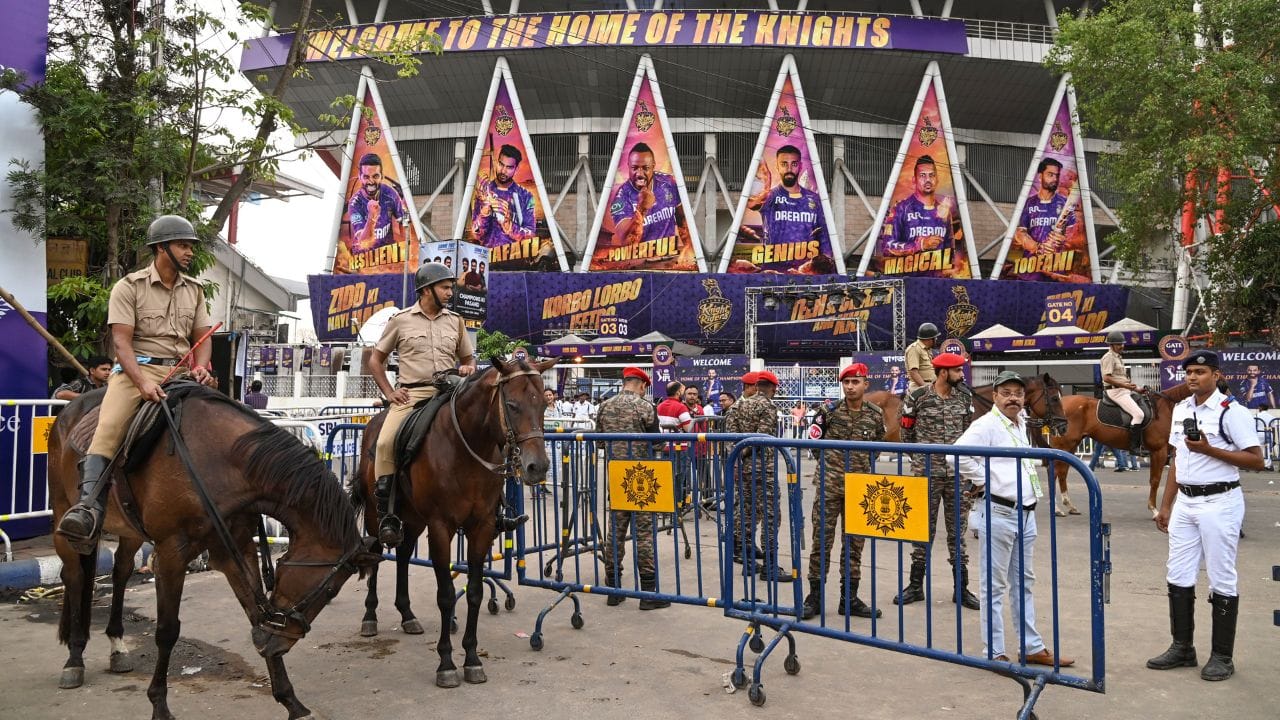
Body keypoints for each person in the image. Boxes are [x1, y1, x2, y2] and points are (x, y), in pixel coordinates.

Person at [56, 215, 217, 552]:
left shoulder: (195, 290)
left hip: (182, 373)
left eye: (190, 246)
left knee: (221, 422)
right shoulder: (129, 287)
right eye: (182, 245)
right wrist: (142, 382)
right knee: (110, 426)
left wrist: (201, 368)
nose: (189, 253)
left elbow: (202, 337)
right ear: (161, 248)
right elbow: (122, 344)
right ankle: (88, 507)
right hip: (135, 372)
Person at [367, 262, 519, 547]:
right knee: (386, 443)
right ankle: (387, 513)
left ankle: (497, 508)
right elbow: (375, 360)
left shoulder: (455, 321)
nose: (451, 292)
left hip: (449, 393)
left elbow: (468, 359)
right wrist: (389, 392)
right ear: (426, 290)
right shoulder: (400, 320)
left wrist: (467, 368)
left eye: (451, 287)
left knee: (488, 435)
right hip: (411, 397)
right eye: (445, 287)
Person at [1149, 351, 1263, 681]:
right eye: (1188, 372)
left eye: (1199, 371)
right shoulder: (1182, 408)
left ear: (1216, 374)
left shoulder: (1231, 411)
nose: (1192, 377)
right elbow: (1177, 460)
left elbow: (1256, 460)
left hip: (1221, 501)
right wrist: (1166, 505)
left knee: (1221, 575)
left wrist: (1209, 450)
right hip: (1186, 501)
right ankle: (1182, 647)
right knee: (1178, 574)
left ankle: (1222, 657)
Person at [956, 371, 1073, 667]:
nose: (1013, 398)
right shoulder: (986, 425)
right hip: (998, 512)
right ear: (995, 396)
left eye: (1017, 394)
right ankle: (994, 652)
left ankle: (1031, 646)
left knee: (1024, 583)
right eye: (1006, 392)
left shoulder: (1019, 424)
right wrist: (986, 479)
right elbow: (955, 455)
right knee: (993, 587)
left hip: (1025, 513)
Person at [802, 363, 885, 619]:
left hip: (860, 488)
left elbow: (878, 445)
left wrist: (861, 467)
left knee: (854, 545)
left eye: (855, 382)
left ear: (865, 384)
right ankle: (813, 598)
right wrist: (831, 467)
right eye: (846, 382)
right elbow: (814, 443)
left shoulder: (874, 413)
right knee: (821, 543)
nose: (850, 387)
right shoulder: (828, 411)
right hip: (829, 485)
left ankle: (849, 598)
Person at [896, 352, 979, 610]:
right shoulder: (918, 397)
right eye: (957, 371)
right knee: (922, 530)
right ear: (944, 372)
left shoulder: (965, 398)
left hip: (957, 476)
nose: (961, 374)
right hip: (927, 474)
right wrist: (921, 461)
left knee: (958, 533)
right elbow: (906, 434)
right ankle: (915, 585)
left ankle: (961, 589)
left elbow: (969, 433)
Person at [596, 366, 669, 610]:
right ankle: (649, 593)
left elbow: (599, 441)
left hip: (616, 475)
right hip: (642, 477)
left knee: (615, 532)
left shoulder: (605, 406)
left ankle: (613, 589)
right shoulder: (645, 407)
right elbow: (657, 443)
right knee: (644, 534)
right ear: (641, 385)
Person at [725, 371, 792, 581]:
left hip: (743, 468)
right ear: (773, 388)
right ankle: (770, 567)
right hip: (764, 468)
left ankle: (748, 562)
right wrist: (746, 450)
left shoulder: (737, 407)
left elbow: (731, 440)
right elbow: (761, 438)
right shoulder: (769, 407)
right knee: (771, 516)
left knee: (746, 514)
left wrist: (738, 456)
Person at [881, 155, 963, 277]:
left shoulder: (945, 212)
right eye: (922, 175)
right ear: (914, 180)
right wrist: (920, 245)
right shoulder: (900, 209)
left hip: (936, 284)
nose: (928, 180)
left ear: (937, 179)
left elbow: (950, 251)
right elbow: (887, 247)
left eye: (931, 175)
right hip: (908, 281)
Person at [608, 142, 693, 255]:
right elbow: (625, 241)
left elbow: (683, 222)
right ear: (628, 166)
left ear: (653, 166)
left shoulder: (669, 183)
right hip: (637, 264)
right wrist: (641, 209)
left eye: (645, 168)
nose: (639, 173)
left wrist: (690, 252)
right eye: (635, 168)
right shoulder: (622, 197)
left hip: (668, 262)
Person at [1010, 158, 1081, 281]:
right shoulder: (1028, 203)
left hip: (1057, 269)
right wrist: (1037, 247)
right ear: (1040, 176)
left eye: (1057, 176)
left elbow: (1074, 235)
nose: (1055, 179)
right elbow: (1020, 233)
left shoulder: (1065, 203)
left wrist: (1063, 240)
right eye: (1050, 175)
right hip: (1030, 270)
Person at [743, 144, 828, 247]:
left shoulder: (815, 199)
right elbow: (751, 204)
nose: (789, 169)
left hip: (806, 262)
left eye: (794, 164)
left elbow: (824, 235)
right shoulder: (769, 196)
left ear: (800, 166)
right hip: (773, 261)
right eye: (784, 164)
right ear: (777, 167)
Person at [470, 144, 537, 249]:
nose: (503, 170)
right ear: (497, 163)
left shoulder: (525, 196)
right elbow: (476, 233)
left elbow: (530, 235)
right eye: (501, 164)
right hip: (488, 259)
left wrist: (509, 226)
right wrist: (484, 215)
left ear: (516, 168)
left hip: (515, 260)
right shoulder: (484, 193)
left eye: (509, 167)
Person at [348, 153, 408, 253]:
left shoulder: (390, 194)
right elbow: (364, 242)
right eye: (366, 177)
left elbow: (404, 223)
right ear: (360, 177)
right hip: (363, 261)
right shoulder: (355, 203)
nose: (371, 181)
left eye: (375, 176)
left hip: (388, 257)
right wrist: (372, 217)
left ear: (382, 176)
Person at [1101, 330, 1146, 453]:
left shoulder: (1118, 357)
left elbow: (1123, 379)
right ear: (1111, 345)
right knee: (1139, 414)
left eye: (1122, 343)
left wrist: (1137, 389)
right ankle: (1134, 447)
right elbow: (1106, 377)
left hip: (1124, 390)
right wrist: (1125, 386)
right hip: (1116, 392)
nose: (1122, 346)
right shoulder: (1109, 357)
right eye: (1118, 344)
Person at [905, 322, 939, 393]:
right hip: (919, 388)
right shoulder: (914, 349)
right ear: (930, 339)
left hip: (930, 385)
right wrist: (926, 389)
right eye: (935, 338)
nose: (936, 340)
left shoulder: (927, 350)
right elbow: (913, 373)